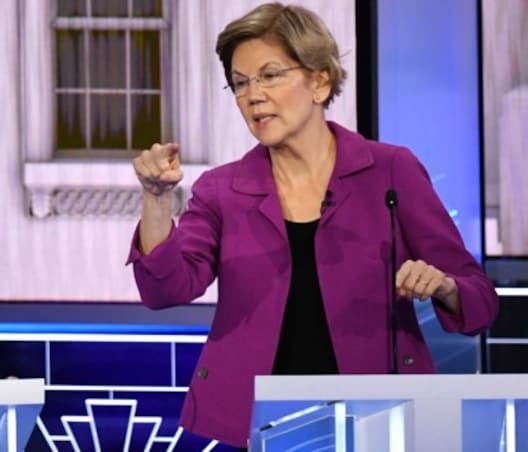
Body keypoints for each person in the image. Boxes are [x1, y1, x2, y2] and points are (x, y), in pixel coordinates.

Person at [127, 3, 498, 448]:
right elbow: (166, 290)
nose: (253, 95)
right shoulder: (222, 189)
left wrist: (445, 287)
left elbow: (480, 301)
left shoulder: (390, 171)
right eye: (241, 83)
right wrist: (155, 197)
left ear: (320, 81)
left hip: (378, 418)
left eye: (269, 74)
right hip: (260, 425)